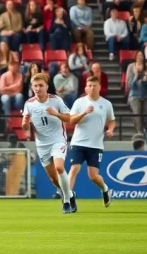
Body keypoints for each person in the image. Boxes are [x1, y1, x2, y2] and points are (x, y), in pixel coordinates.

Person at [54, 77, 115, 210]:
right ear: (86, 88)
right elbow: (72, 121)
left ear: (100, 87)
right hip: (78, 142)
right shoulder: (80, 102)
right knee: (74, 169)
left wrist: (110, 129)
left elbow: (111, 120)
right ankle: (68, 199)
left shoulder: (106, 104)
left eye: (94, 85)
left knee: (93, 176)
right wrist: (84, 112)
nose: (92, 88)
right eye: (89, 85)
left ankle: (105, 190)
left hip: (96, 145)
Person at [25, 73, 76, 213]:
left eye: (41, 85)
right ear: (32, 87)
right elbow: (25, 127)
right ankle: (70, 195)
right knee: (54, 179)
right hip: (42, 145)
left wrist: (56, 114)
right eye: (35, 85)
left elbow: (69, 118)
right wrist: (25, 122)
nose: (38, 88)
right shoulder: (29, 104)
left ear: (47, 86)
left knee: (60, 168)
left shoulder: (56, 100)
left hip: (57, 139)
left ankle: (66, 202)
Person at [127, 51, 147, 134]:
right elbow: (130, 84)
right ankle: (139, 132)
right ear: (135, 57)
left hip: (146, 95)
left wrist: (145, 79)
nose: (140, 57)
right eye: (138, 55)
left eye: (141, 55)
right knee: (137, 114)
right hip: (134, 95)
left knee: (146, 115)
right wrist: (136, 76)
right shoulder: (131, 66)